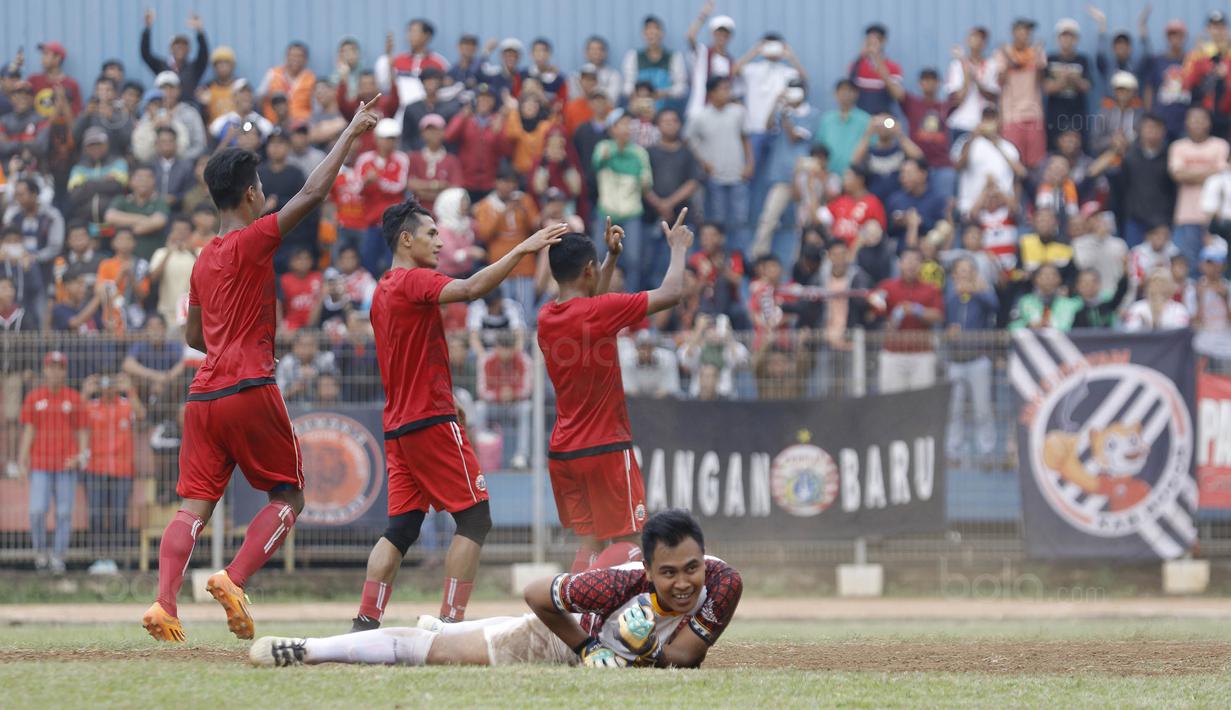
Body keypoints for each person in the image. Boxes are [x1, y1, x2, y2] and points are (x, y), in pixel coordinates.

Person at [140, 95, 381, 643]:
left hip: (203, 396)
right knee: (289, 496)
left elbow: (193, 337)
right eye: (262, 191)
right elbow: (315, 192)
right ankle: (233, 577)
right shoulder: (254, 239)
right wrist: (349, 132)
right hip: (250, 385)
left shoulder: (203, 258)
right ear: (251, 193)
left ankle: (164, 603)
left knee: (192, 506)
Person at [349, 197, 565, 632]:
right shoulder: (414, 281)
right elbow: (468, 289)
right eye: (431, 233)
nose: (439, 240)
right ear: (406, 239)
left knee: (402, 528)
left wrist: (453, 400)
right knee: (474, 518)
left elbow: (408, 359)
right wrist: (523, 250)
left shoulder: (382, 290)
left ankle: (365, 623)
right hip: (429, 420)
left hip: (399, 426)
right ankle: (449, 624)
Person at [253, 509, 742, 670]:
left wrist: (647, 650)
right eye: (669, 573)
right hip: (565, 637)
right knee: (436, 652)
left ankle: (447, 624)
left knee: (467, 633)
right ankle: (308, 649)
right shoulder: (617, 583)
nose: (683, 583)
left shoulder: (723, 583)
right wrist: (590, 649)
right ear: (648, 571)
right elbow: (535, 595)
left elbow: (684, 658)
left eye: (691, 568)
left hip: (623, 648)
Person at [538, 211, 693, 573]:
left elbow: (589, 299)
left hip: (565, 450)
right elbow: (671, 293)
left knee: (590, 541)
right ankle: (631, 620)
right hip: (605, 446)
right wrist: (679, 248)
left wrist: (610, 257)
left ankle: (578, 614)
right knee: (629, 540)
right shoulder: (600, 310)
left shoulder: (547, 316)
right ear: (589, 270)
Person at [18, 351, 87, 575]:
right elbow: (29, 430)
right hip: (40, 464)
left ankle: (58, 557)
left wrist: (81, 456)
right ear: (45, 370)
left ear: (64, 371)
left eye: (59, 367)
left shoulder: (74, 398)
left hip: (66, 465)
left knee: (64, 514)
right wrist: (22, 460)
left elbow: (83, 430)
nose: (55, 371)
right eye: (51, 367)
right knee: (37, 511)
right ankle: (40, 554)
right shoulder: (34, 397)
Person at [82, 373, 143, 572]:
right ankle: (98, 558)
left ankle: (116, 559)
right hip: (95, 468)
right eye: (104, 383)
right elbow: (73, 419)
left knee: (119, 515)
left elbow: (142, 415)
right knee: (96, 515)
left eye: (112, 383)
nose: (108, 388)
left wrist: (131, 390)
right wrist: (84, 393)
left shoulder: (126, 405)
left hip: (122, 469)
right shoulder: (90, 406)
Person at [686, 77, 751, 253]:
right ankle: (718, 261)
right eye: (722, 89)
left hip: (738, 175)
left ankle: (739, 262)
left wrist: (749, 164)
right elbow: (689, 141)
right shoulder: (701, 116)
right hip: (714, 178)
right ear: (711, 93)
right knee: (718, 222)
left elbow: (745, 139)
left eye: (728, 89)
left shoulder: (738, 112)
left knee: (740, 222)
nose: (726, 93)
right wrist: (704, 163)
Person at [752, 79, 814, 260]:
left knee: (803, 224)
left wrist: (786, 114)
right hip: (781, 178)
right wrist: (776, 102)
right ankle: (758, 260)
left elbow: (795, 136)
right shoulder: (782, 111)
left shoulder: (812, 114)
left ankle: (802, 262)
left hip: (803, 178)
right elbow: (767, 126)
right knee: (768, 219)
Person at [943, 258, 997, 461]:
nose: (964, 274)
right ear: (954, 274)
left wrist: (978, 290)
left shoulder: (982, 294)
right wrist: (948, 331)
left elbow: (994, 306)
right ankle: (953, 448)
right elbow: (942, 321)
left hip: (978, 359)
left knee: (982, 408)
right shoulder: (950, 297)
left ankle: (987, 449)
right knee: (954, 409)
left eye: (969, 270)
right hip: (954, 360)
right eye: (961, 270)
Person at [592, 113, 653, 292]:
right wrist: (617, 152)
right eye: (622, 124)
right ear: (612, 128)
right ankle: (598, 298)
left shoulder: (639, 153)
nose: (627, 128)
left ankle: (630, 300)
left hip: (632, 213)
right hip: (606, 212)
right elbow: (596, 163)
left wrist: (639, 177)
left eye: (629, 124)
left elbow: (647, 182)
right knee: (599, 257)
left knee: (633, 261)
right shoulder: (603, 147)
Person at [872, 248, 944, 394]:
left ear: (921, 265)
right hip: (893, 352)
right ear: (899, 264)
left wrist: (916, 310)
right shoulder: (887, 286)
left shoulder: (931, 289)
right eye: (907, 260)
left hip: (922, 353)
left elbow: (939, 316)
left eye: (916, 261)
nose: (911, 265)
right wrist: (890, 318)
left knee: (922, 402)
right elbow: (875, 311)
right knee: (891, 402)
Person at [475, 166, 542, 316]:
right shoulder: (486, 205)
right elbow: (484, 234)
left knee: (525, 312)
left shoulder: (525, 200)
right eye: (505, 182)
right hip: (499, 265)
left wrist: (523, 209)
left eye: (512, 182)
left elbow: (536, 228)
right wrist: (505, 211)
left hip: (524, 266)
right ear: (496, 183)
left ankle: (523, 339)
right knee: (503, 312)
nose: (509, 186)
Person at [1169, 107, 1229, 265]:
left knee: (1218, 266)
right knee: (1188, 265)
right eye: (1193, 119)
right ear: (1186, 122)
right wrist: (1211, 172)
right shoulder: (1178, 146)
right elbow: (1177, 175)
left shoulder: (1220, 145)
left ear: (1209, 123)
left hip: (1218, 217)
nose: (1197, 123)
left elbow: (1224, 172)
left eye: (1202, 119)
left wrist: (1190, 174)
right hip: (1187, 215)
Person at [952, 107, 1027, 217]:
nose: (989, 122)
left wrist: (997, 144)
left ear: (999, 122)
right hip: (972, 209)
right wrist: (972, 138)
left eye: (992, 119)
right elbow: (959, 166)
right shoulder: (967, 142)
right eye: (986, 119)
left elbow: (1022, 173)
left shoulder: (1008, 147)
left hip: (1002, 210)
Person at [476, 331, 533, 469]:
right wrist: (498, 395)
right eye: (502, 348)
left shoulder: (524, 360)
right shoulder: (486, 360)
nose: (506, 352)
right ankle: (477, 454)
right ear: (496, 347)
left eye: (509, 348)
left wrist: (513, 394)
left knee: (526, 407)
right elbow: (481, 390)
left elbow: (528, 389)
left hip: (515, 405)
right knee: (479, 408)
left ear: (515, 348)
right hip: (493, 406)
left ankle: (521, 456)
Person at [996, 18, 1048, 168]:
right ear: (1013, 32)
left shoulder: (1037, 53)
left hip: (1034, 114)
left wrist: (1037, 59)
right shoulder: (1002, 53)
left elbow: (1040, 81)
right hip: (1011, 116)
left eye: (1028, 31)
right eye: (1021, 30)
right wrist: (1009, 59)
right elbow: (1000, 81)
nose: (1025, 34)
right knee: (1013, 163)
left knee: (1036, 163)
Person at [1119, 113, 1175, 248]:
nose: (1152, 132)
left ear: (1163, 131)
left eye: (1157, 128)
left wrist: (1167, 220)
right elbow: (1122, 188)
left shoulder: (1170, 156)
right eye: (1148, 128)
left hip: (1162, 220)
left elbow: (1173, 190)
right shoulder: (1129, 157)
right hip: (1135, 219)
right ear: (1140, 130)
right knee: (1135, 261)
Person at [444, 84, 506, 203]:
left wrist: (499, 132)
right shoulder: (466, 119)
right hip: (466, 180)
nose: (484, 101)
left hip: (489, 181)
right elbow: (448, 137)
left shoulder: (498, 121)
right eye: (481, 98)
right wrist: (462, 116)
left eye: (488, 98)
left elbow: (506, 151)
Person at [376, 18, 450, 115]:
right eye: (409, 31)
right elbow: (385, 87)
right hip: (400, 113)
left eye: (414, 31)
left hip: (428, 114)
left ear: (427, 36)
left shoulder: (439, 63)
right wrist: (388, 58)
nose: (409, 36)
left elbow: (444, 92)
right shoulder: (396, 61)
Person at [1044, 18, 1093, 148]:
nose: (1067, 40)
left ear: (1076, 39)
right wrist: (1063, 80)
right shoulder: (1050, 59)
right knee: (1054, 146)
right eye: (1064, 36)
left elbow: (1087, 87)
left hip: (1078, 113)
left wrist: (1075, 79)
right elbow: (1047, 88)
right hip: (1055, 114)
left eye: (1071, 37)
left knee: (1079, 146)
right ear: (1058, 39)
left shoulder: (1083, 60)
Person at [105, 165, 171, 261]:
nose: (143, 181)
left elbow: (159, 222)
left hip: (153, 261)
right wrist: (143, 219)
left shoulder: (160, 202)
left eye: (148, 177)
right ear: (131, 181)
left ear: (154, 182)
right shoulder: (121, 200)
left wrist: (127, 225)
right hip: (124, 261)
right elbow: (110, 217)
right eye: (139, 177)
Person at [621, 15, 687, 110]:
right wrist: (638, 95)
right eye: (648, 29)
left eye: (656, 29)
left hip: (665, 109)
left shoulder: (674, 57)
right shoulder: (633, 56)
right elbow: (627, 85)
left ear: (662, 33)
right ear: (643, 33)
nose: (652, 32)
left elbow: (682, 87)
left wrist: (664, 93)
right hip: (641, 108)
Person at [946, 27, 1000, 140]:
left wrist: (975, 78)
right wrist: (967, 76)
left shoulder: (992, 65)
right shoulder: (956, 66)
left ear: (985, 43)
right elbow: (957, 99)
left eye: (981, 38)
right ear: (967, 40)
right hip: (961, 124)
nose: (977, 41)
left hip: (985, 125)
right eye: (973, 37)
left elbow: (992, 96)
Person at [685, 2, 736, 120]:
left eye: (725, 34)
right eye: (719, 33)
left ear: (729, 37)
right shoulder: (702, 53)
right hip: (698, 111)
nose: (722, 37)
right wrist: (703, 15)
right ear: (713, 34)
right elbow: (690, 37)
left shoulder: (730, 61)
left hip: (719, 116)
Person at [1141, 19, 1190, 140]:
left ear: (1184, 37)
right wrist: (1149, 114)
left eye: (1179, 34)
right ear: (1167, 37)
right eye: (1172, 34)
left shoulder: (1191, 60)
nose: (1175, 38)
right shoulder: (1157, 61)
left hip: (1186, 122)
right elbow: (1149, 88)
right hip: (1161, 120)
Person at [140, 9, 209, 97]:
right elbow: (145, 54)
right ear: (170, 49)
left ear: (189, 49)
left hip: (189, 108)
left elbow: (204, 54)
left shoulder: (194, 68)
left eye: (184, 45)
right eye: (177, 45)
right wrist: (147, 29)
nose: (180, 48)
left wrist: (200, 31)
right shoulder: (161, 66)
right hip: (166, 108)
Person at [407, 114, 463, 213]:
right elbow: (410, 184)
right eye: (430, 130)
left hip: (444, 214)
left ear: (443, 132)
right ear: (422, 133)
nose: (434, 133)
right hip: (417, 214)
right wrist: (437, 185)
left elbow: (455, 190)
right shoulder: (414, 157)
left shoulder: (452, 160)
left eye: (437, 129)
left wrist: (422, 191)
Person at [816, 79, 871, 178]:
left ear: (856, 94)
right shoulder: (827, 119)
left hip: (855, 178)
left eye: (849, 91)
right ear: (835, 94)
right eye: (842, 91)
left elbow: (872, 148)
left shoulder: (866, 120)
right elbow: (820, 148)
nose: (846, 94)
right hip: (828, 177)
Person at [848, 23, 904, 116]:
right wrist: (861, 56)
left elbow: (898, 95)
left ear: (884, 41)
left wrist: (877, 60)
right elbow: (847, 92)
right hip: (861, 117)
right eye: (870, 40)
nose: (873, 44)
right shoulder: (856, 65)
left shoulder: (893, 67)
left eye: (877, 39)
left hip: (884, 117)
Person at [400, 67, 461, 151]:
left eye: (435, 80)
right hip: (418, 156)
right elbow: (405, 139)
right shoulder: (412, 109)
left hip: (442, 156)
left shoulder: (449, 109)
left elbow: (452, 139)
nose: (431, 84)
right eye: (428, 80)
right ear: (422, 83)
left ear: (440, 83)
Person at [73, 76, 134, 157]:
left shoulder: (123, 114)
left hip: (114, 160)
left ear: (115, 93)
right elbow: (74, 136)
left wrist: (112, 117)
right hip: (88, 162)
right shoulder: (88, 112)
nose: (103, 93)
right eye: (99, 90)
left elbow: (126, 141)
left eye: (108, 90)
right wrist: (85, 115)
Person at [1009, 263, 1081, 330]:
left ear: (1059, 279)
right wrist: (1028, 326)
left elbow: (1082, 329)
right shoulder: (1023, 301)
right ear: (1036, 279)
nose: (1048, 278)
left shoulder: (1071, 304)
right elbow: (1012, 326)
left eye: (1053, 274)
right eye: (1044, 274)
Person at [260, 42, 316, 123]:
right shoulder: (273, 74)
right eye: (292, 55)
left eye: (299, 56)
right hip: (273, 125)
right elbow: (260, 98)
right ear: (286, 57)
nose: (296, 59)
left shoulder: (311, 79)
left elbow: (316, 107)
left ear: (305, 59)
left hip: (300, 127)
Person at [1123, 268, 1191, 331]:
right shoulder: (1137, 307)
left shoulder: (1179, 309)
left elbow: (1179, 335)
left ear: (1170, 287)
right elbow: (1130, 332)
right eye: (1153, 283)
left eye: (1162, 283)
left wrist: (1156, 320)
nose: (1157, 287)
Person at [621, 330, 683, 398]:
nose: (646, 352)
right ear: (636, 348)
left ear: (654, 348)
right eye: (642, 347)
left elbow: (670, 387)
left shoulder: (668, 358)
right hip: (635, 403)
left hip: (663, 402)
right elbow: (628, 389)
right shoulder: (625, 359)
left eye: (649, 347)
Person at [28, 41, 81, 116]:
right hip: (36, 126)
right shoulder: (34, 80)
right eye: (43, 54)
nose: (42, 58)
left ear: (57, 58)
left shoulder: (72, 85)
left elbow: (76, 116)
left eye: (46, 54)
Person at [196, 46, 241, 124]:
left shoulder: (240, 86)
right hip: (213, 132)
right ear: (214, 67)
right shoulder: (207, 88)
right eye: (219, 63)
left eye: (226, 63)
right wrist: (203, 105)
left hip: (237, 129)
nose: (223, 67)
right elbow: (202, 117)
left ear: (232, 66)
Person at [150, 127, 194, 208]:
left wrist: (176, 198)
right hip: (151, 208)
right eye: (163, 141)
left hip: (178, 210)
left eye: (170, 141)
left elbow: (190, 191)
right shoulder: (149, 166)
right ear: (156, 144)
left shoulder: (187, 167)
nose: (167, 144)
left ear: (176, 144)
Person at [572, 36, 621, 104]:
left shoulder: (614, 75)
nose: (596, 53)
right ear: (586, 53)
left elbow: (612, 100)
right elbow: (574, 98)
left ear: (605, 53)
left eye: (600, 49)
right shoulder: (576, 76)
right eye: (592, 49)